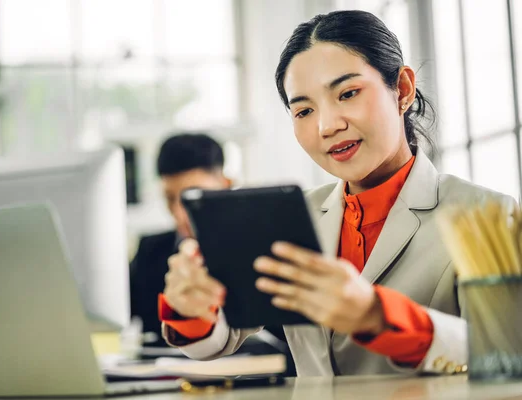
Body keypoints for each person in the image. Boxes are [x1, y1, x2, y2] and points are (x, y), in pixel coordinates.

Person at [157, 10, 516, 376]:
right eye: (304, 111)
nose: (327, 126)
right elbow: (223, 336)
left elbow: (507, 354)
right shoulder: (293, 215)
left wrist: (378, 316)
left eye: (348, 93)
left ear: (403, 89)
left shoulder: (488, 215)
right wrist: (193, 309)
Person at [129, 133, 231, 345]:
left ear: (226, 185)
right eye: (169, 198)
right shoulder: (150, 250)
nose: (179, 212)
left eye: (191, 196)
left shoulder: (258, 248)